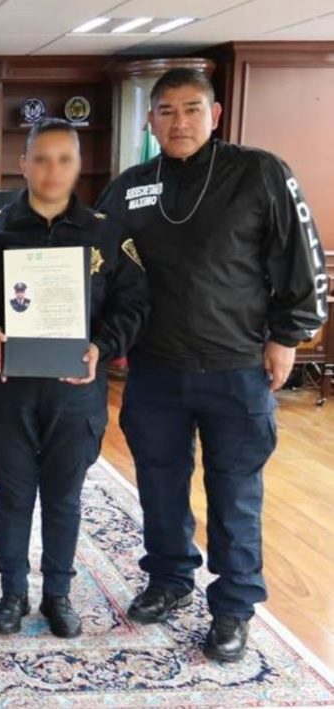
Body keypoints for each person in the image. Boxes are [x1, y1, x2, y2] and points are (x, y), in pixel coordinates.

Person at [97, 68, 327, 662]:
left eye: (192, 109)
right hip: (154, 370)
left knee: (235, 491)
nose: (179, 122)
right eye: (167, 111)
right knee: (160, 484)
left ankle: (233, 608)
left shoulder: (260, 172)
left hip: (235, 367)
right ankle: (170, 580)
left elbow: (302, 257)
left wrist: (288, 337)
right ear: (150, 121)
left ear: (215, 114)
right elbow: (93, 264)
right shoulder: (129, 188)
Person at [0, 118, 149, 638]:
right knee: (15, 495)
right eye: (41, 158)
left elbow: (133, 307)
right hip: (6, 390)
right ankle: (12, 592)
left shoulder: (107, 232)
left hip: (75, 392)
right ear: (23, 164)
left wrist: (100, 346)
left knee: (64, 496)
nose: (52, 170)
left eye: (64, 159)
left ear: (78, 165)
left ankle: (58, 593)